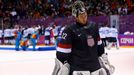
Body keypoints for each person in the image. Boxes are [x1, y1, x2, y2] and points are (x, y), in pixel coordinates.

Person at [52, 1, 114, 75]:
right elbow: (62, 55)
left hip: (87, 70)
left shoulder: (70, 29)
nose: (84, 17)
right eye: (81, 16)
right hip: (83, 70)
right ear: (76, 17)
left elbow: (61, 55)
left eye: (85, 14)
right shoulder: (71, 30)